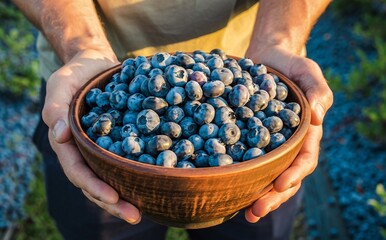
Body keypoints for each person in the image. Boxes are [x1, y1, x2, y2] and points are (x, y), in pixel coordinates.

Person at [13, 0, 333, 239]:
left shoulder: (246, 106)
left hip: (258, 62)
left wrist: (278, 39)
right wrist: (80, 45)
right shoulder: (111, 113)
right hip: (88, 72)